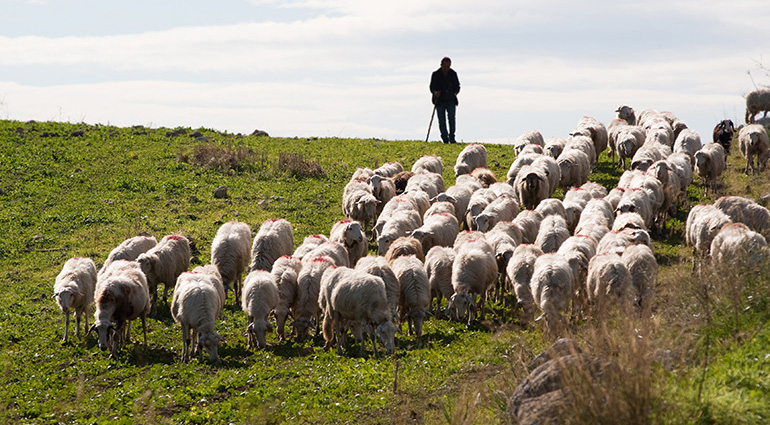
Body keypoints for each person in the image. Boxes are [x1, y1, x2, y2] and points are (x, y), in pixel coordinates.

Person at [430, 57, 461, 144]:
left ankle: (452, 137)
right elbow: (432, 87)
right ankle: (445, 139)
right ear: (441, 65)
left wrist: (455, 92)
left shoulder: (453, 74)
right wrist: (435, 92)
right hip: (439, 101)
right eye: (444, 66)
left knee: (451, 118)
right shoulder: (435, 74)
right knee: (441, 120)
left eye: (448, 66)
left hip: (451, 99)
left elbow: (457, 86)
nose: (446, 68)